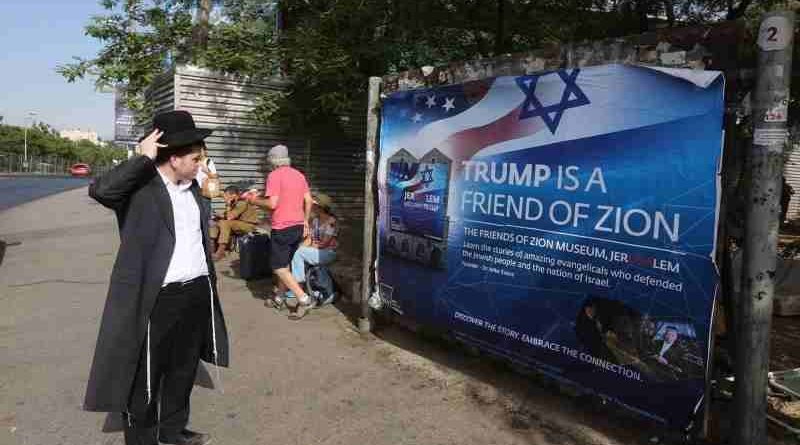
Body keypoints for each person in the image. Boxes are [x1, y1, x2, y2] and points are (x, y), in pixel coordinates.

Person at [84, 110, 229, 445]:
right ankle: (143, 438)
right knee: (146, 376)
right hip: (157, 299)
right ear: (174, 158)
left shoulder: (193, 188)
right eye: (196, 157)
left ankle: (173, 430)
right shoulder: (140, 190)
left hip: (196, 293)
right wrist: (142, 158)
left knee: (183, 369)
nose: (201, 163)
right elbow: (101, 190)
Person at [248, 144, 315, 320]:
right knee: (284, 264)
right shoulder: (299, 175)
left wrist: (254, 201)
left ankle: (304, 299)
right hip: (298, 226)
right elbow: (308, 201)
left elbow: (272, 204)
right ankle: (279, 298)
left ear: (272, 161)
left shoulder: (274, 175)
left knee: (278, 267)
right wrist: (306, 220)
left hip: (282, 227)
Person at [290, 193, 338, 303]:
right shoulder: (315, 221)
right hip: (316, 251)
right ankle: (300, 287)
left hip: (327, 252)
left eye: (314, 205)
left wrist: (306, 248)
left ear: (321, 207)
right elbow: (309, 239)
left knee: (299, 253)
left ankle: (298, 286)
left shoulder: (331, 221)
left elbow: (324, 243)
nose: (312, 206)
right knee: (296, 251)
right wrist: (299, 247)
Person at [209, 185, 260, 260]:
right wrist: (217, 216)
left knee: (225, 223)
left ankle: (221, 252)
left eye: (226, 195)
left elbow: (229, 217)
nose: (224, 197)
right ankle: (212, 248)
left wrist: (228, 204)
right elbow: (227, 215)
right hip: (237, 223)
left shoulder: (241, 203)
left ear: (234, 195)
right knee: (215, 222)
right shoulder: (234, 202)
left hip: (248, 225)